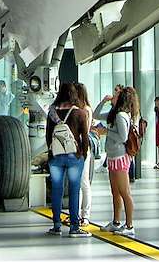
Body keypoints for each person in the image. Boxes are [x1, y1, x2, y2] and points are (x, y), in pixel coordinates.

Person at [45, 82, 92, 238]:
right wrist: (83, 155)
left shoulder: (52, 113)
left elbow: (48, 136)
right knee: (73, 191)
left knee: (56, 191)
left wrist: (52, 152)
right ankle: (74, 227)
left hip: (56, 157)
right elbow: (85, 138)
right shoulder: (80, 113)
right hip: (74, 157)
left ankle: (57, 225)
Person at [94, 85, 139, 235]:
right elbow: (96, 114)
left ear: (121, 99)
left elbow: (123, 137)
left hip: (119, 157)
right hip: (113, 156)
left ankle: (130, 225)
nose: (113, 96)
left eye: (116, 94)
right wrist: (103, 101)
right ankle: (116, 221)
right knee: (115, 192)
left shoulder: (120, 116)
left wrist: (106, 132)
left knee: (124, 192)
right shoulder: (114, 114)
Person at [74, 83, 95, 225]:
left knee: (83, 181)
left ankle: (85, 214)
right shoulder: (80, 109)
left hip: (83, 147)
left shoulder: (86, 110)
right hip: (77, 147)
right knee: (78, 182)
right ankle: (77, 213)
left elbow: (84, 130)